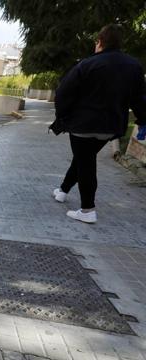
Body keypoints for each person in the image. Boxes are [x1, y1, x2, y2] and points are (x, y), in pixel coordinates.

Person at [52, 24, 146, 223]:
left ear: (100, 42)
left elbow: (63, 93)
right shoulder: (134, 66)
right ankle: (62, 190)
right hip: (111, 127)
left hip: (83, 125)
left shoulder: (87, 64)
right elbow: (139, 99)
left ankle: (87, 210)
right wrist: (143, 119)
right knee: (83, 158)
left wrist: (62, 117)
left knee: (85, 162)